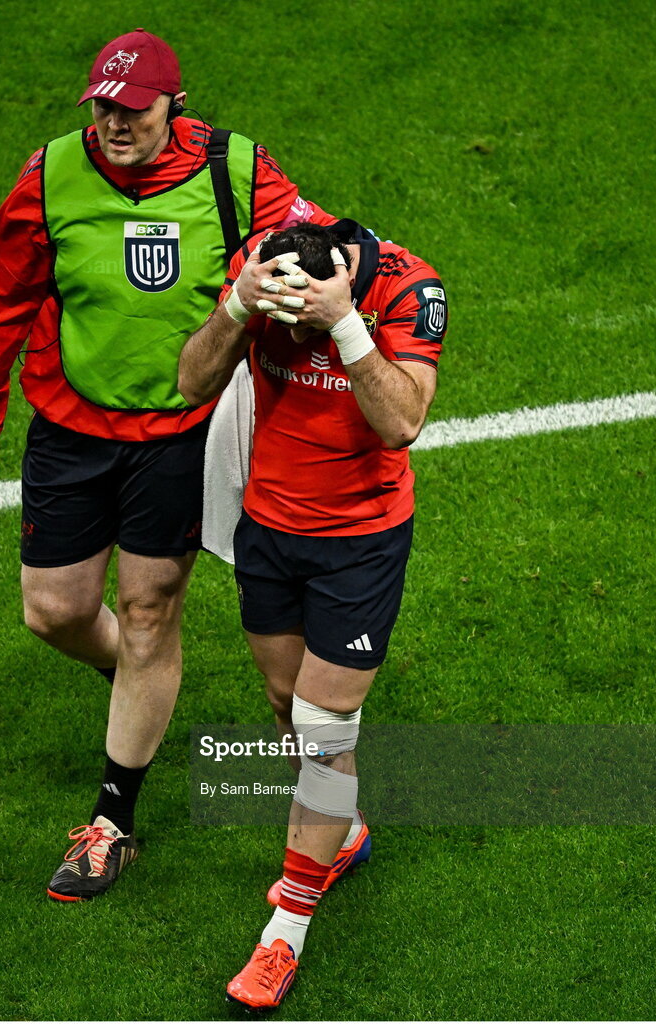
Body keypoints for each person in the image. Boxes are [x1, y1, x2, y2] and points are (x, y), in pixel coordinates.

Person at [0, 28, 335, 901]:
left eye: (134, 110)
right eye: (104, 110)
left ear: (174, 105)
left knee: (150, 608)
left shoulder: (236, 169)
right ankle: (136, 678)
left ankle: (113, 821)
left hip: (183, 431)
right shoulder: (50, 175)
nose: (116, 126)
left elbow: (315, 246)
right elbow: (0, 297)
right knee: (53, 612)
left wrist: (365, 302)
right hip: (72, 425)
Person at [178, 220, 448, 1008]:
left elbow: (402, 422)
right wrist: (238, 304)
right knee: (285, 709)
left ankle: (283, 935)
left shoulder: (408, 288)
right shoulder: (264, 268)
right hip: (266, 528)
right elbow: (193, 383)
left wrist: (342, 322)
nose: (288, 324)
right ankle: (345, 831)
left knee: (325, 735)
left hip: (359, 546)